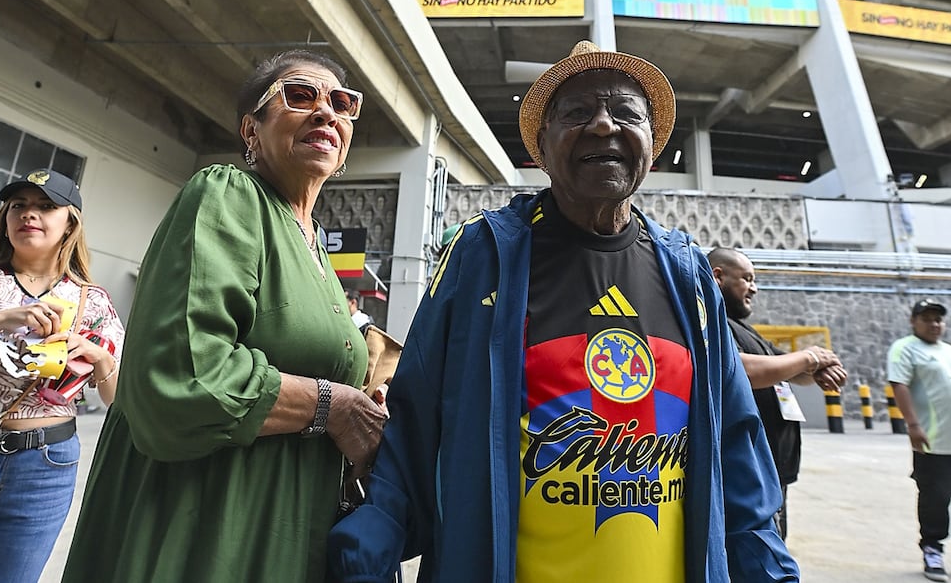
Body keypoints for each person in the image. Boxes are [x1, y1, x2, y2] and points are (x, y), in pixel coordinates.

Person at [329, 40, 798, 582]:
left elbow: (735, 445)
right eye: (577, 113)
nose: (604, 126)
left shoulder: (689, 272)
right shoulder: (483, 256)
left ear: (652, 144)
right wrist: (363, 559)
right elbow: (414, 425)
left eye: (627, 114)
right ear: (543, 149)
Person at [62, 50, 389, 583]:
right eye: (300, 96)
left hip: (284, 528)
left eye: (342, 103)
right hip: (202, 531)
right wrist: (332, 406)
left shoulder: (318, 252)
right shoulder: (228, 193)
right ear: (251, 130)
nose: (327, 112)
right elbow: (188, 374)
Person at [0, 169, 124, 583]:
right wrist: (0, 318)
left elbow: (118, 400)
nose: (29, 214)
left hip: (43, 465)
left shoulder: (92, 300)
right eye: (19, 206)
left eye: (46, 206)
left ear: (70, 223)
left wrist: (100, 359)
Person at [707, 246, 847, 540]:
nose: (754, 289)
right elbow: (744, 371)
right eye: (747, 278)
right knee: (755, 553)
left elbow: (788, 370)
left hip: (771, 470)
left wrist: (816, 369)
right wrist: (810, 359)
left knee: (773, 544)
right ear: (718, 277)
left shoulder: (746, 330)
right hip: (745, 473)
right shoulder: (709, 324)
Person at [888, 299, 951, 582]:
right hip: (934, 445)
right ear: (914, 321)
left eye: (938, 319)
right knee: (934, 502)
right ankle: (933, 551)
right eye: (928, 319)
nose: (934, 324)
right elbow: (899, 384)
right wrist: (913, 425)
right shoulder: (905, 349)